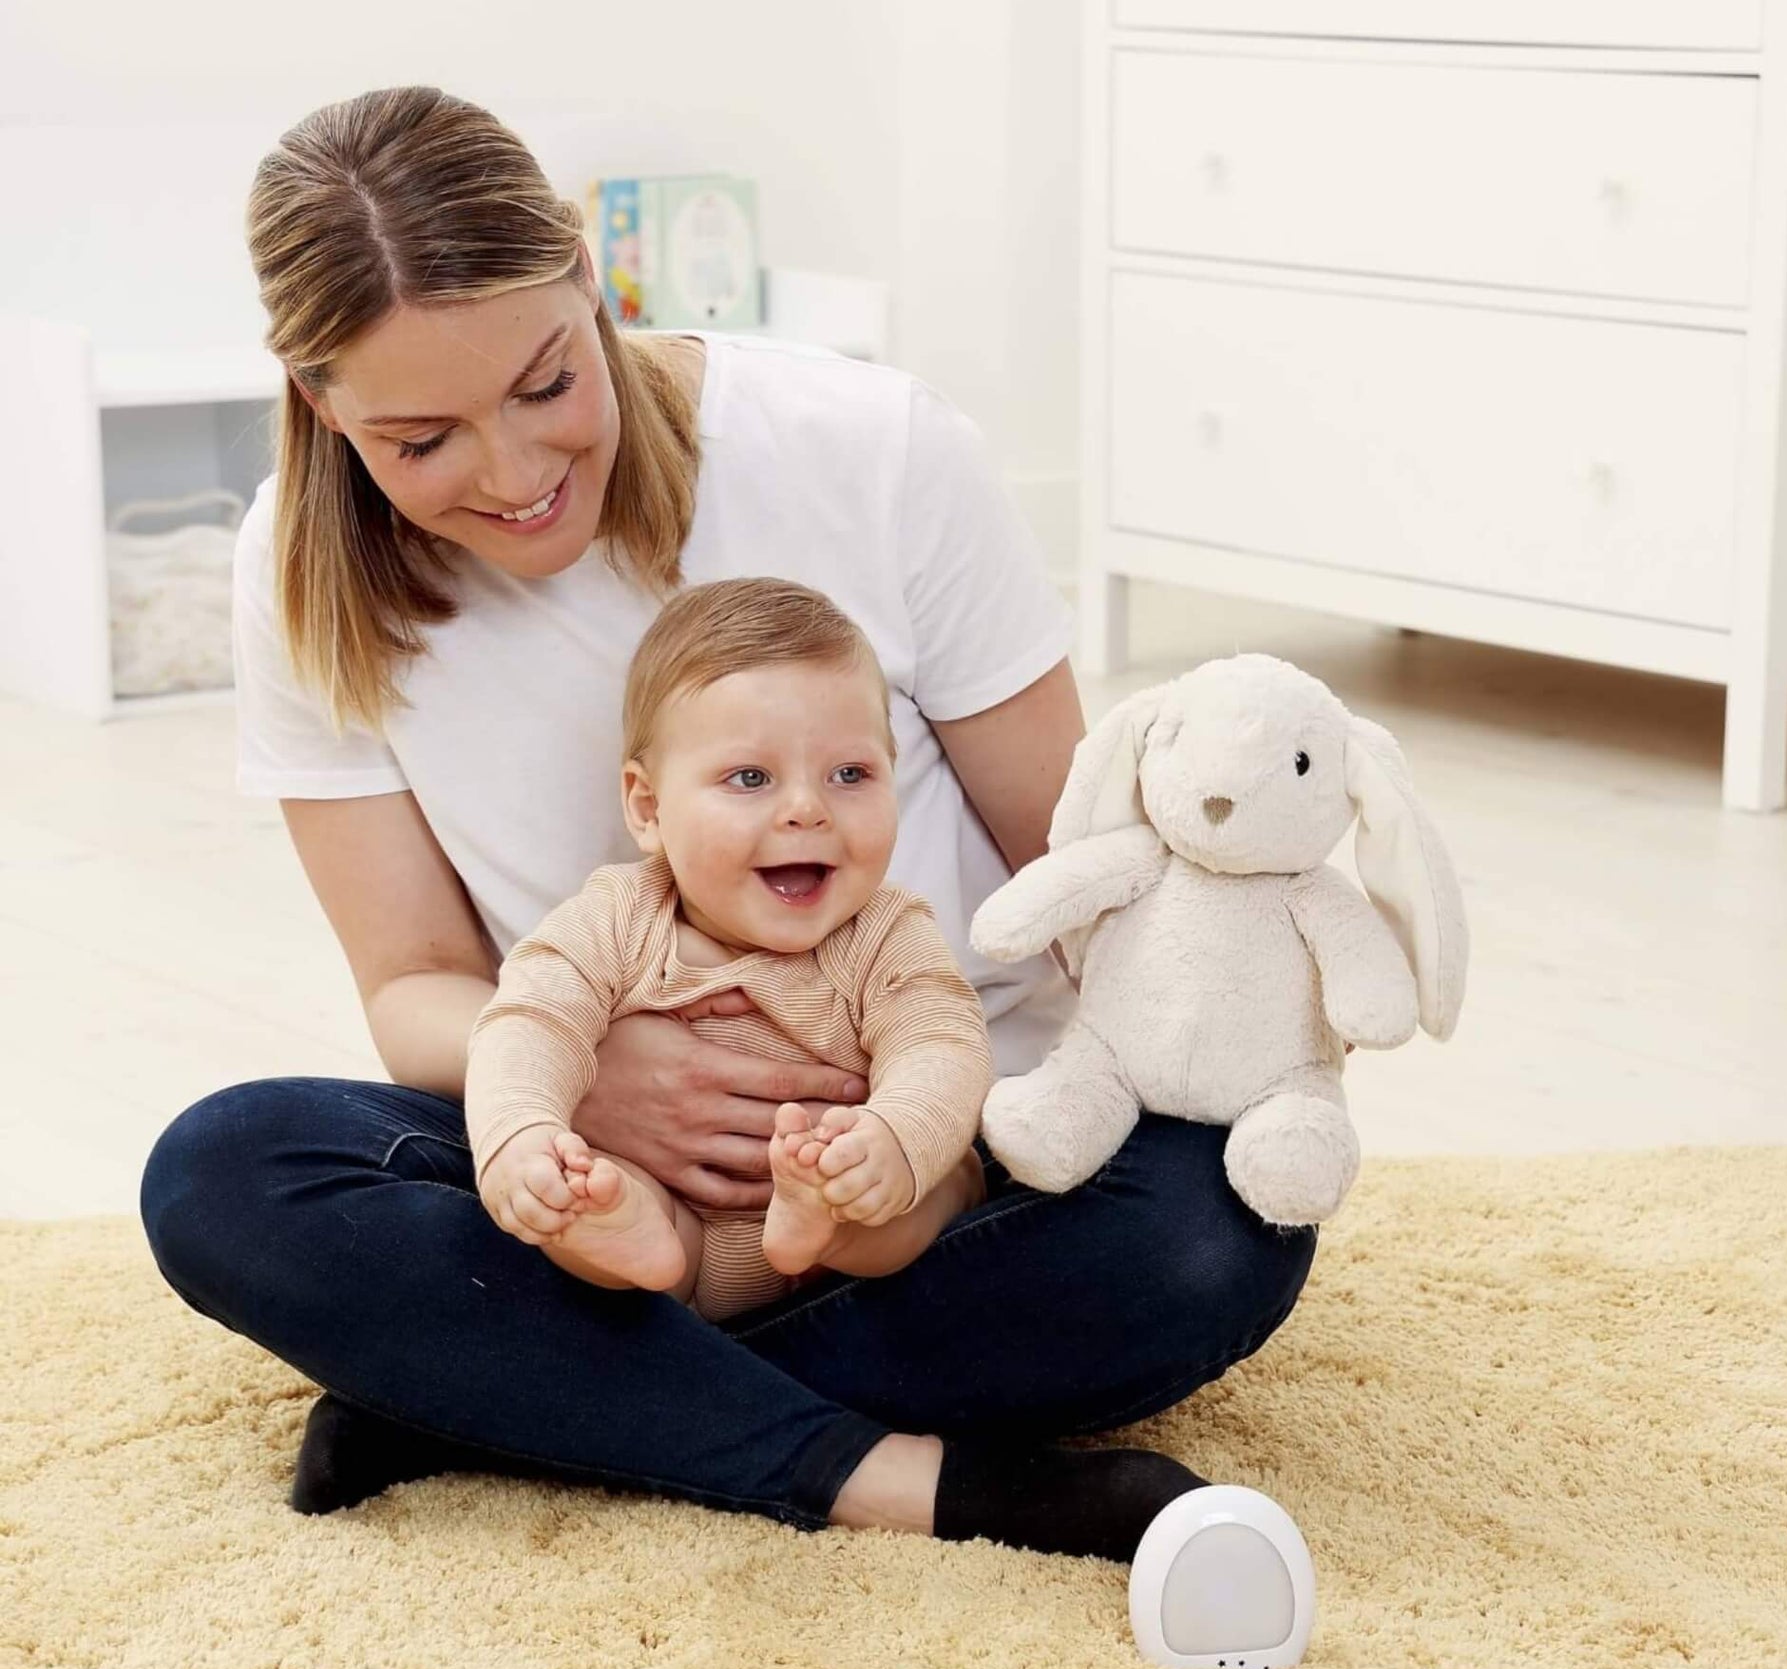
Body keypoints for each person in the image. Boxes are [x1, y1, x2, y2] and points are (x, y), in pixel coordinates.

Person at [139, 86, 1317, 1563]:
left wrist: (924, 1116)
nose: (510, 475)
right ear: (323, 405)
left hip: (953, 1142)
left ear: (587, 276)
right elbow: (412, 985)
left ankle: (487, 1397)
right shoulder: (297, 572)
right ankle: (909, 1477)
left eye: (544, 383)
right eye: (423, 439)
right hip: (600, 1153)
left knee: (1208, 1230)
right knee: (224, 1169)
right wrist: (598, 1071)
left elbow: (1074, 867)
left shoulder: (870, 447)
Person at [469, 576, 993, 1316]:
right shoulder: (618, 917)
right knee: (586, 1189)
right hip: (672, 1225)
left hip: (846, 1244)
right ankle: (625, 1234)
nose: (808, 810)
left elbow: (943, 1043)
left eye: (851, 774)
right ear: (648, 808)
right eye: (750, 778)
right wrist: (521, 1137)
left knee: (946, 1184)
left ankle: (825, 1224)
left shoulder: (885, 931)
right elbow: (528, 1021)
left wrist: (890, 1142)